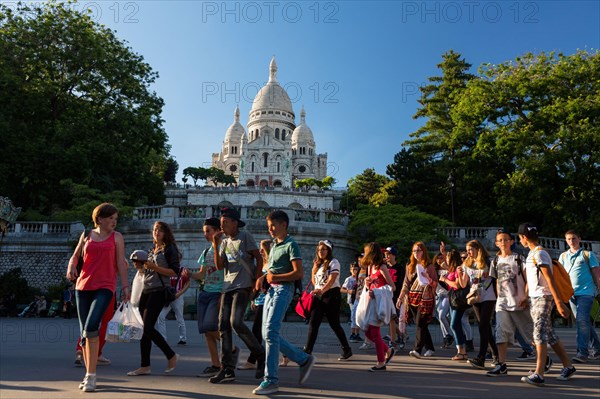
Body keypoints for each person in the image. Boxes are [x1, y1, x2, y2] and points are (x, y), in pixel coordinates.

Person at [66, 203, 129, 392]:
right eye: (110, 218)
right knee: (86, 335)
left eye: (116, 219)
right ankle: (88, 374)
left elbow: (121, 263)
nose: (114, 222)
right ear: (99, 218)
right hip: (83, 287)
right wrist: (71, 266)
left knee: (92, 326)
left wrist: (125, 286)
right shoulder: (86, 235)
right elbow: (75, 256)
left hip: (105, 287)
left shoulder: (117, 237)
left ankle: (91, 377)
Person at [252, 210, 316, 394]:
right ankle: (303, 359)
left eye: (273, 225)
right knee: (267, 334)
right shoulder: (274, 246)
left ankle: (271, 380)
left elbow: (299, 273)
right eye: (269, 226)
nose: (270, 229)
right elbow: (271, 271)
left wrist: (274, 276)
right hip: (271, 290)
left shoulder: (291, 245)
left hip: (283, 289)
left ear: (283, 225)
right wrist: (263, 277)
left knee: (271, 331)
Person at [210, 207, 265, 384]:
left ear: (235, 223)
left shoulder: (245, 236)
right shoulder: (224, 242)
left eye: (225, 222)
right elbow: (219, 266)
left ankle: (260, 355)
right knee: (222, 326)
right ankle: (227, 368)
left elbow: (259, 258)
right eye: (220, 223)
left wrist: (257, 281)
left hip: (243, 285)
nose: (222, 226)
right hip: (227, 286)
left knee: (236, 322)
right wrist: (215, 244)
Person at [518, 222, 576, 386]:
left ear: (523, 237)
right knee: (549, 335)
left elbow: (549, 278)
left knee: (539, 333)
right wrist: (527, 295)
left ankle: (539, 374)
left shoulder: (540, 254)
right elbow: (534, 278)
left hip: (544, 297)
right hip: (536, 297)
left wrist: (558, 303)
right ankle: (568, 366)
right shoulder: (532, 254)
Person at [127, 221, 180, 377]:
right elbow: (148, 271)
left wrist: (154, 267)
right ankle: (145, 366)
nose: (157, 232)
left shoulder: (170, 249)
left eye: (160, 230)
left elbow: (174, 272)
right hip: (147, 290)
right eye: (155, 230)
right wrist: (140, 267)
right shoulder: (152, 250)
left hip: (159, 291)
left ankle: (171, 355)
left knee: (149, 327)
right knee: (145, 329)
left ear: (166, 233)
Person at [486, 229, 534, 376]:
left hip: (520, 301)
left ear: (512, 242)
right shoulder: (495, 261)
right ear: (496, 243)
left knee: (530, 334)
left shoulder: (519, 258)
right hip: (502, 302)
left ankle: (544, 359)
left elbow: (528, 279)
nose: (503, 243)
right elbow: (496, 282)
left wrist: (526, 296)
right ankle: (501, 364)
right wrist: (498, 299)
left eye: (506, 240)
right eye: (500, 240)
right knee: (501, 332)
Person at [185, 218, 224, 378]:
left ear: (217, 231)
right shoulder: (206, 252)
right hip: (205, 292)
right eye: (204, 232)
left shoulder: (224, 249)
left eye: (208, 231)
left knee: (210, 326)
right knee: (206, 332)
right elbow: (201, 274)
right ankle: (216, 364)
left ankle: (231, 348)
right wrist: (189, 275)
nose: (206, 235)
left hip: (218, 292)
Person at [303, 239, 352, 360]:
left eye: (323, 249)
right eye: (319, 250)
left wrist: (322, 290)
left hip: (331, 295)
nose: (320, 252)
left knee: (334, 324)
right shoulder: (318, 264)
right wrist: (314, 269)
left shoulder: (334, 262)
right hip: (319, 296)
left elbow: (332, 279)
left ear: (329, 250)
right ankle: (307, 350)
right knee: (313, 323)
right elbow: (315, 282)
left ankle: (346, 349)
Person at [559, 229, 600, 363]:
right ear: (566, 241)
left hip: (586, 293)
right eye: (569, 239)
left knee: (581, 321)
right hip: (571, 294)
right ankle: (598, 348)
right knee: (584, 322)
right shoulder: (563, 256)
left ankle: (582, 353)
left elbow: (597, 273)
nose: (572, 241)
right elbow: (561, 276)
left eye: (574, 238)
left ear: (579, 239)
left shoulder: (588, 254)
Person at [462, 239, 499, 370]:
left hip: (488, 296)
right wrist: (460, 274)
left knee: (483, 324)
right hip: (475, 298)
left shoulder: (488, 261)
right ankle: (496, 355)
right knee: (484, 327)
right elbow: (463, 284)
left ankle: (481, 357)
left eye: (471, 250)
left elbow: (495, 279)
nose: (469, 253)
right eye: (467, 251)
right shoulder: (467, 263)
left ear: (478, 249)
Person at [399, 241, 438, 359]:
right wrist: (400, 297)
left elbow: (435, 283)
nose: (416, 253)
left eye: (419, 250)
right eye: (414, 251)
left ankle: (417, 350)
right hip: (412, 298)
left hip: (426, 298)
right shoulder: (409, 266)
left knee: (420, 323)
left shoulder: (429, 266)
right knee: (422, 324)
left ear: (423, 251)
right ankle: (430, 348)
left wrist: (428, 278)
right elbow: (406, 283)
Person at [361, 242, 396, 371]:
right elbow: (370, 286)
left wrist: (377, 292)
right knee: (367, 331)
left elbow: (392, 287)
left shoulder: (382, 267)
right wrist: (367, 283)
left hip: (379, 303)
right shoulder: (371, 267)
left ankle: (381, 362)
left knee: (374, 332)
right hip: (370, 303)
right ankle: (387, 350)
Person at [239, 239, 272, 370]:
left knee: (257, 331)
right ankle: (287, 355)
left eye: (262, 249)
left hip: (267, 301)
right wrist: (253, 299)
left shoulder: (271, 265)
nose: (260, 252)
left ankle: (252, 360)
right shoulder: (262, 264)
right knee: (266, 332)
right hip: (260, 300)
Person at [439, 248, 470, 360]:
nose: (445, 259)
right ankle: (461, 351)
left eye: (447, 257)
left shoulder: (458, 269)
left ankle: (462, 351)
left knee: (454, 324)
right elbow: (442, 263)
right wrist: (443, 252)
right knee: (456, 325)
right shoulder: (451, 269)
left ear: (451, 259)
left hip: (458, 299)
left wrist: (444, 280)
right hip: (453, 299)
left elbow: (457, 285)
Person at [156, 259, 190, 346]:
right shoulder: (167, 269)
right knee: (161, 316)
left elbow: (188, 284)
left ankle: (183, 338)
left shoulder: (183, 270)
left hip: (177, 296)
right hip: (168, 296)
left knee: (179, 317)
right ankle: (163, 339)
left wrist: (179, 294)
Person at [384, 246, 404, 348]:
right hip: (385, 296)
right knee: (387, 319)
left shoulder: (400, 268)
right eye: (385, 254)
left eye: (389, 254)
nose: (386, 256)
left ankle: (393, 341)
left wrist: (402, 297)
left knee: (392, 318)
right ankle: (400, 336)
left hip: (395, 296)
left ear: (394, 255)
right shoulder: (384, 267)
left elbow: (402, 284)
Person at [433, 252, 453, 349]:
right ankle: (446, 337)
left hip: (447, 295)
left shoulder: (448, 268)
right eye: (438, 258)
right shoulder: (435, 270)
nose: (440, 260)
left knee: (442, 316)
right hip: (438, 295)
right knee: (440, 318)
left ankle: (450, 334)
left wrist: (447, 267)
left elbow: (453, 276)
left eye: (442, 258)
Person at [341, 262, 363, 343]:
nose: (354, 271)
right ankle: (353, 333)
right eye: (353, 269)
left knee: (358, 317)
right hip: (351, 300)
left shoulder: (360, 278)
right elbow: (341, 289)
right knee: (354, 316)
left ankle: (357, 333)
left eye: (356, 269)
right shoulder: (349, 279)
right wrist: (348, 291)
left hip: (358, 299)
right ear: (350, 270)